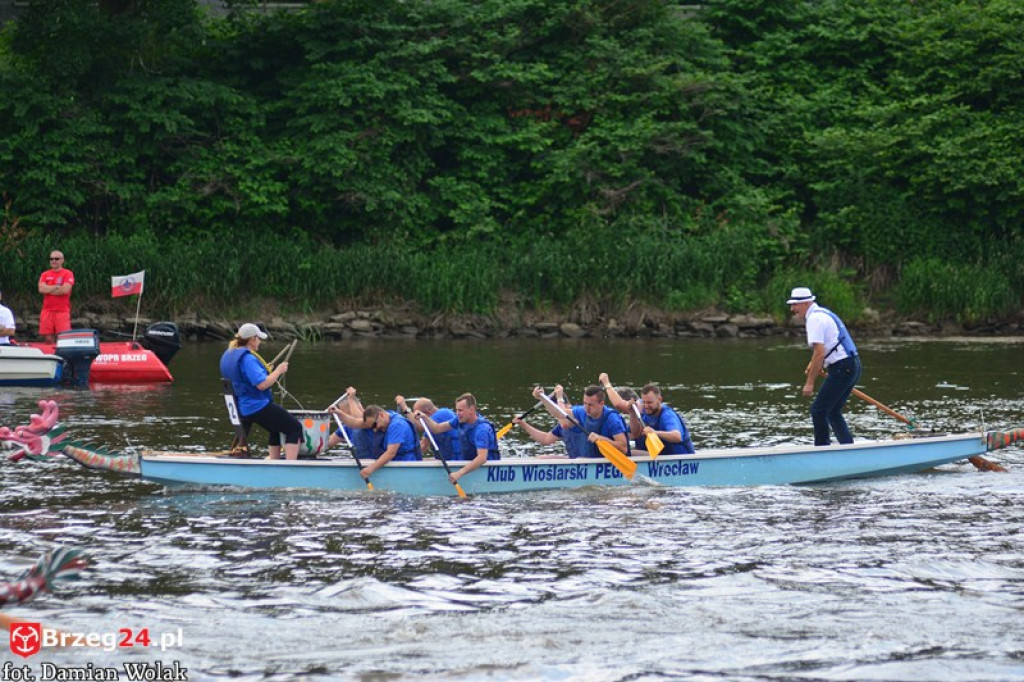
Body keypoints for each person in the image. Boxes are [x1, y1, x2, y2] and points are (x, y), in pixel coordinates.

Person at [788, 286, 862, 446]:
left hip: (843, 367)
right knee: (833, 411)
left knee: (818, 410)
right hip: (853, 364)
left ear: (807, 303)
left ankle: (821, 450)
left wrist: (809, 382)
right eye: (792, 305)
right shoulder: (824, 313)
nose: (792, 309)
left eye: (795, 305)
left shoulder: (814, 319)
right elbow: (826, 347)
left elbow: (820, 353)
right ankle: (847, 447)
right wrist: (814, 363)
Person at [219, 323, 302, 460]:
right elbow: (262, 385)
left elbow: (246, 377)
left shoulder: (230, 353)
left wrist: (265, 371)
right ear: (252, 339)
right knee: (294, 428)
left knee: (275, 428)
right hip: (255, 406)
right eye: (259, 338)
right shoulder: (248, 359)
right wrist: (278, 371)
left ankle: (274, 462)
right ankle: (290, 468)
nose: (260, 342)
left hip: (240, 407)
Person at [416, 393, 499, 485]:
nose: (457, 413)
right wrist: (424, 416)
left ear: (471, 409)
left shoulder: (482, 429)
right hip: (467, 463)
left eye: (460, 410)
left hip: (487, 468)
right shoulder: (459, 420)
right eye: (456, 410)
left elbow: (482, 458)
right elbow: (437, 428)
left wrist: (459, 473)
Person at [535, 384, 630, 458]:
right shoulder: (582, 411)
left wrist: (601, 439)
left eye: (591, 405)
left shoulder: (612, 419)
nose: (587, 408)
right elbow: (560, 414)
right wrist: (542, 398)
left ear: (601, 403)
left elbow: (624, 448)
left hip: (614, 461)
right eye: (585, 403)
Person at [345, 404, 420, 481]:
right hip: (395, 461)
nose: (375, 429)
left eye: (375, 425)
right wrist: (339, 413)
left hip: (404, 463)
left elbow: (391, 453)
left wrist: (370, 469)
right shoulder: (389, 415)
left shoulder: (397, 425)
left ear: (381, 415)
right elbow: (354, 422)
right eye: (372, 427)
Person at [514, 384, 589, 457]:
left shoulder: (578, 413)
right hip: (575, 459)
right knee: (542, 458)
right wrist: (523, 424)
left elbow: (564, 423)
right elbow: (546, 439)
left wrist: (559, 397)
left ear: (567, 404)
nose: (557, 416)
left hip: (590, 459)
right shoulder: (561, 425)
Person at [630, 383, 695, 454]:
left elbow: (677, 436)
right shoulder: (642, 408)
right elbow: (634, 434)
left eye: (649, 403)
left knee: (630, 453)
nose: (646, 406)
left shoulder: (667, 415)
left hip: (679, 458)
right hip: (658, 455)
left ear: (659, 400)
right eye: (644, 402)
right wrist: (633, 412)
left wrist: (654, 432)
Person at [395, 395, 461, 461]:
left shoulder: (442, 413)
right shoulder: (431, 424)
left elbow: (419, 426)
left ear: (428, 411)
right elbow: (424, 445)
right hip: (445, 459)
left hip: (456, 460)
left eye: (418, 416)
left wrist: (404, 407)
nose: (417, 419)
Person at [327, 389, 384, 462]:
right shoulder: (346, 428)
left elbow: (360, 420)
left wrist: (351, 399)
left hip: (380, 462)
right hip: (363, 463)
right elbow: (327, 443)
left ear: (359, 407)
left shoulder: (375, 422)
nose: (344, 418)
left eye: (345, 413)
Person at [37, 250, 74, 343]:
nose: (54, 261)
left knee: (63, 338)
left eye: (56, 259)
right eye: (51, 259)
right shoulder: (45, 274)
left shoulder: (67, 273)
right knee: (48, 339)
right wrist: (56, 287)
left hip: (62, 311)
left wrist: (48, 289)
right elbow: (41, 289)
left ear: (62, 260)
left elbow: (64, 290)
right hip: (47, 311)